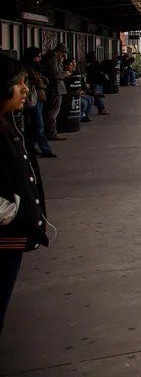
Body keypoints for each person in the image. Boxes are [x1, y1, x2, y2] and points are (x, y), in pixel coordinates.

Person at [0, 55, 48, 333]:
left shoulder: (8, 124)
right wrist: (17, 213)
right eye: (18, 83)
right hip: (5, 242)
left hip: (12, 241)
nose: (25, 89)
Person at [19, 49, 54, 159]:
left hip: (38, 98)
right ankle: (46, 150)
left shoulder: (34, 67)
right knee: (39, 125)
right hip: (33, 98)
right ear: (33, 57)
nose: (39, 59)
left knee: (35, 125)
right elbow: (39, 81)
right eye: (38, 56)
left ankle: (29, 147)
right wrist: (43, 80)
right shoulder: (29, 68)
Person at [41, 45, 67, 141]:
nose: (63, 56)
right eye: (63, 54)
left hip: (54, 88)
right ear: (59, 51)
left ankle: (50, 131)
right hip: (55, 89)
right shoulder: (53, 59)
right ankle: (51, 133)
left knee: (51, 110)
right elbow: (55, 74)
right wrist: (65, 74)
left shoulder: (51, 58)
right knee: (53, 111)